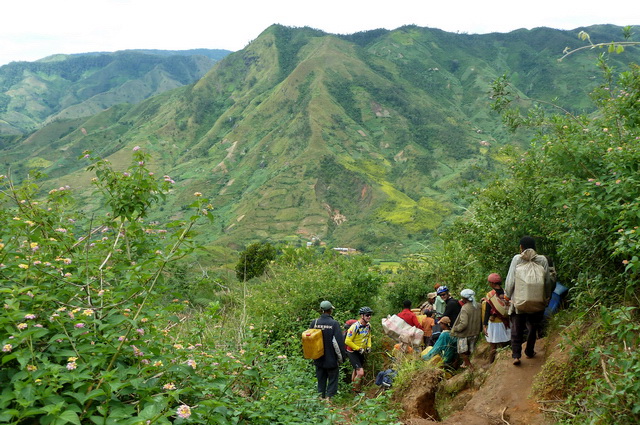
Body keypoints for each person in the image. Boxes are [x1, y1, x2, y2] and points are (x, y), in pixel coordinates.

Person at [504, 236, 553, 365]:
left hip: (518, 301)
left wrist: (507, 295)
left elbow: (510, 279)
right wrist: (547, 296)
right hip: (537, 301)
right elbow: (547, 280)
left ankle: (516, 355)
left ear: (521, 247)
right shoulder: (542, 260)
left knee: (517, 328)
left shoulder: (517, 259)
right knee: (533, 327)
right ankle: (529, 351)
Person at [311, 301, 347, 399]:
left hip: (318, 358)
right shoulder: (334, 324)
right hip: (331, 359)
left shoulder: (314, 323)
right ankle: (328, 400)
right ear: (330, 310)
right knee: (332, 379)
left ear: (321, 310)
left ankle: (320, 398)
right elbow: (338, 343)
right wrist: (342, 358)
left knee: (321, 380)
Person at [482, 273, 511, 363]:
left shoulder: (490, 295)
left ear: (492, 283)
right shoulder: (506, 292)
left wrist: (484, 325)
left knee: (493, 345)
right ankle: (505, 362)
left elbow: (487, 311)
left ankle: (491, 363)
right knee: (505, 344)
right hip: (506, 321)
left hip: (495, 323)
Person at [450, 289, 482, 369]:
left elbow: (464, 324)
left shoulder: (465, 308)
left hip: (465, 334)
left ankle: (470, 366)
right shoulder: (479, 306)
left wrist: (456, 328)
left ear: (465, 298)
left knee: (462, 351)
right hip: (475, 332)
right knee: (471, 350)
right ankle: (466, 364)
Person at [345, 306, 373, 393]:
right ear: (362, 316)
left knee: (356, 370)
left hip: (361, 351)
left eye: (370, 315)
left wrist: (369, 346)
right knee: (360, 373)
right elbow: (347, 341)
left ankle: (353, 389)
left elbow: (368, 337)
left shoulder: (368, 326)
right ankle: (356, 390)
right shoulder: (355, 327)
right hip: (353, 351)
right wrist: (357, 348)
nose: (369, 317)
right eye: (367, 315)